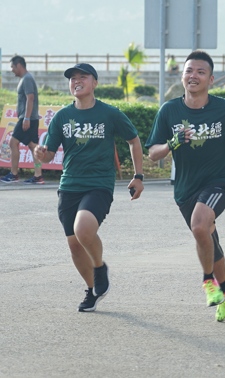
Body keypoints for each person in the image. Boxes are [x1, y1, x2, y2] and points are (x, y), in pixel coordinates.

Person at [145, 50, 225, 323]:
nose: (194, 76)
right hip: (185, 188)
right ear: (182, 75)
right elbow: (153, 153)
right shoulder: (169, 111)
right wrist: (171, 144)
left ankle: (208, 282)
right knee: (208, 238)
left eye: (201, 72)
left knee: (200, 225)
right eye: (189, 71)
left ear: (210, 79)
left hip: (219, 181)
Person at [34, 63, 145, 312]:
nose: (76, 81)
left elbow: (133, 140)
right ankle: (92, 290)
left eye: (82, 77)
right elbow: (50, 155)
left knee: (83, 229)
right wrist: (41, 153)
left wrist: (138, 175)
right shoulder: (62, 117)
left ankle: (99, 267)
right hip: (69, 186)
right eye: (72, 78)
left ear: (94, 83)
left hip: (98, 185)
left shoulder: (109, 113)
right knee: (74, 245)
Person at [0, 56, 43, 184]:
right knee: (33, 146)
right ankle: (38, 176)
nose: (11, 70)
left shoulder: (27, 79)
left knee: (13, 142)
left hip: (28, 118)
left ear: (19, 65)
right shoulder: (25, 79)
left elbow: (30, 98)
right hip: (30, 118)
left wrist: (26, 118)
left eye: (12, 67)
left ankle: (14, 174)